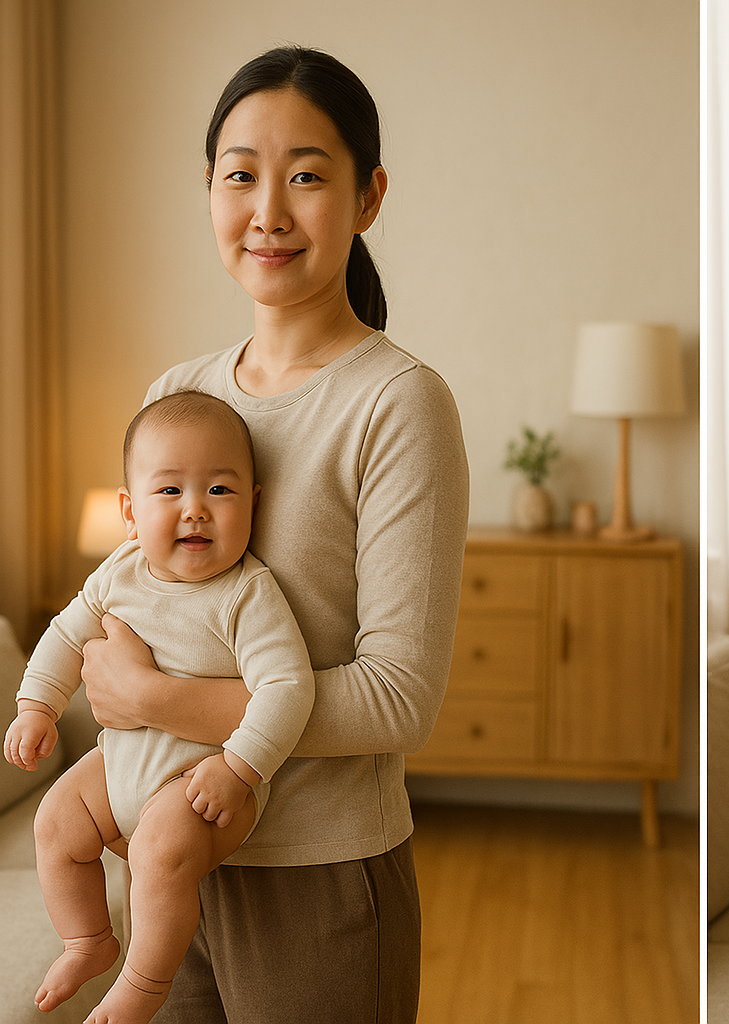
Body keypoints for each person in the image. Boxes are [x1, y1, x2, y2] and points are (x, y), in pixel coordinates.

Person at [73, 46, 469, 1023]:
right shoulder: (176, 394)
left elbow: (397, 701)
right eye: (241, 174)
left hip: (321, 876)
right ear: (208, 189)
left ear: (369, 196)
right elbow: (133, 605)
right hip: (170, 855)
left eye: (306, 176)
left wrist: (156, 696)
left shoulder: (397, 403)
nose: (269, 211)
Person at [5, 391, 314, 1024]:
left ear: (254, 504)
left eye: (220, 492)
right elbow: (65, 637)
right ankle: (88, 940)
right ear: (129, 511)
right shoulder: (118, 573)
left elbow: (287, 687)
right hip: (120, 762)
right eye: (169, 491)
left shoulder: (247, 593)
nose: (195, 509)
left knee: (159, 850)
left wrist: (242, 768)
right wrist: (36, 706)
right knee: (56, 821)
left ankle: (143, 983)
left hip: (203, 780)